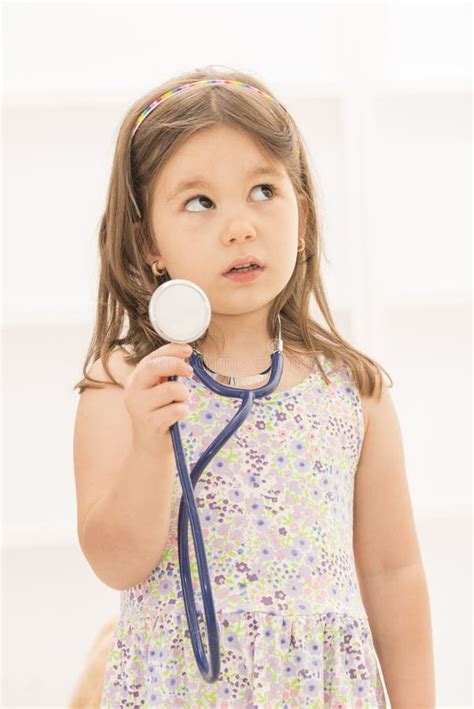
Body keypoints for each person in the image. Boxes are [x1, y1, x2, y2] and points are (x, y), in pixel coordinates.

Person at [72, 66, 435, 707]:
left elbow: (394, 571)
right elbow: (116, 563)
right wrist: (150, 445)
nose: (240, 225)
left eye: (264, 190)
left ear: (302, 210)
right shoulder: (123, 383)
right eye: (200, 202)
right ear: (147, 241)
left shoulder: (352, 391)